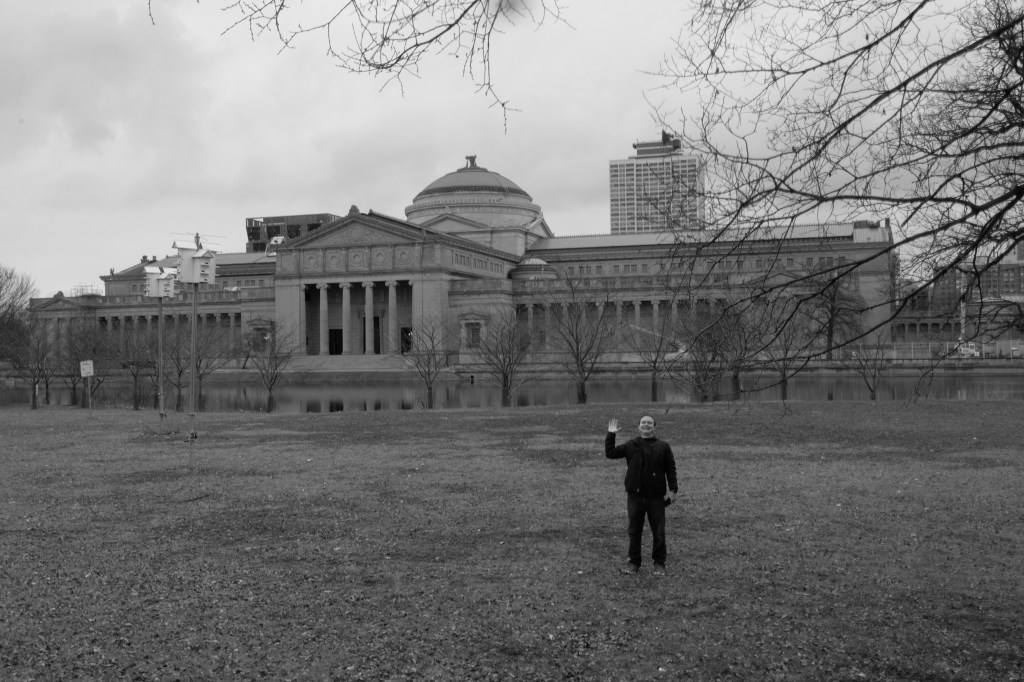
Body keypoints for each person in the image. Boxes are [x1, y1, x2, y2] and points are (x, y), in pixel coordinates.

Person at [605, 415, 678, 575]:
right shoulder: (631, 445)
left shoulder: (663, 446)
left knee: (659, 532)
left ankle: (659, 564)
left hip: (656, 496)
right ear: (639, 427)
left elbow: (670, 468)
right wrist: (611, 434)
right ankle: (633, 563)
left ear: (654, 427)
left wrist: (673, 490)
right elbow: (610, 453)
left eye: (649, 423)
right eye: (643, 422)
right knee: (634, 531)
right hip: (635, 495)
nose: (646, 425)